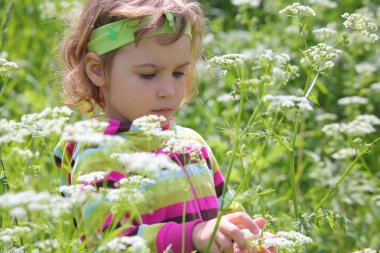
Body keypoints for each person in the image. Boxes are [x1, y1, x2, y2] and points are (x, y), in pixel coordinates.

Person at [54, 0, 275, 252]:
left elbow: (225, 215)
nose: (168, 91)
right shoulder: (99, 152)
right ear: (97, 70)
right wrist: (193, 235)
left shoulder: (192, 144)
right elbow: (107, 243)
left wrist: (244, 237)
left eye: (178, 73)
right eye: (148, 75)